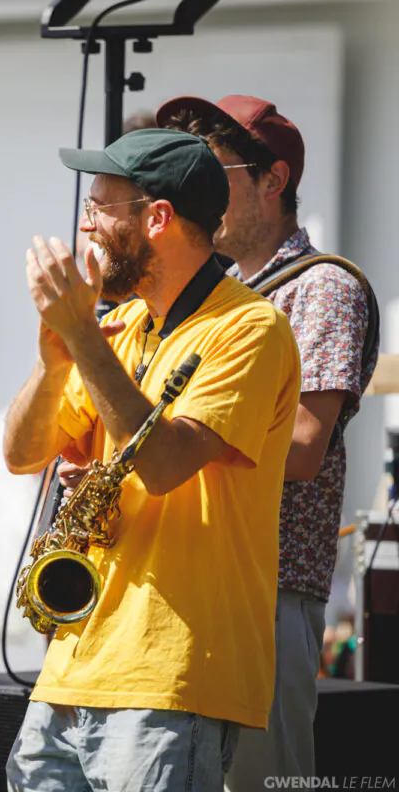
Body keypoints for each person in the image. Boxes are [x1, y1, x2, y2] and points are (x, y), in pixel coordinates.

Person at [2, 129, 301, 790]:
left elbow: (166, 466)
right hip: (73, 663)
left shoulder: (251, 328)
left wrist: (83, 334)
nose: (84, 223)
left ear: (156, 218)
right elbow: (22, 455)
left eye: (100, 205)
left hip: (173, 673)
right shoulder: (119, 326)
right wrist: (57, 360)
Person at [158, 94, 379, 787]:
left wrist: (171, 448)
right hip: (190, 576)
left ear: (272, 180)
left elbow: (306, 447)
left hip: (269, 583)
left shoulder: (322, 287)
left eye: (208, 168)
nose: (188, 186)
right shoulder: (212, 295)